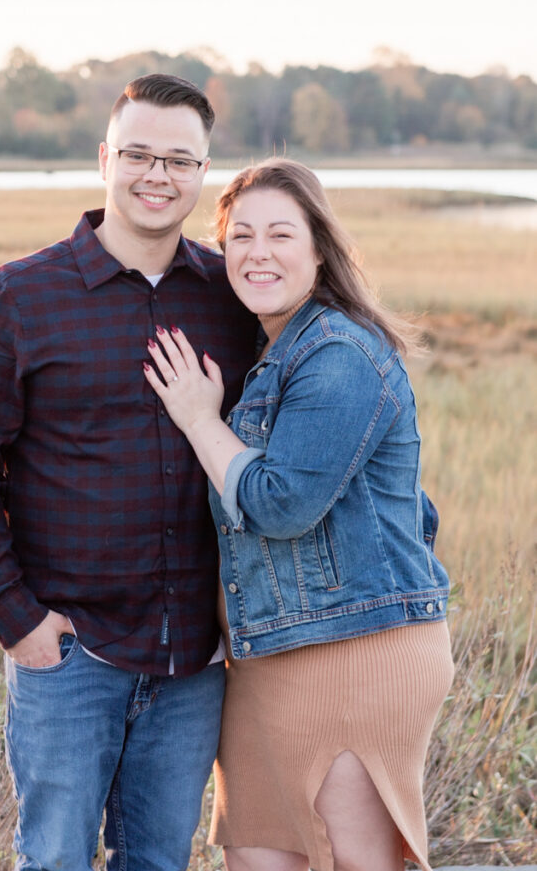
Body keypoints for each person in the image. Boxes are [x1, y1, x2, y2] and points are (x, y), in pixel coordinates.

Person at [0, 74, 258, 871]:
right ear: (104, 157)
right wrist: (16, 619)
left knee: (157, 862)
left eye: (179, 160)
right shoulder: (18, 297)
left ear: (202, 172)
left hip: (195, 662)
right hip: (70, 655)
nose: (157, 175)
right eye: (139, 153)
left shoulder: (231, 296)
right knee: (56, 862)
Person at [143, 158, 454, 871]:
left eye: (280, 234)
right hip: (268, 660)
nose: (258, 252)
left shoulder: (338, 352)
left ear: (319, 248)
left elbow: (279, 504)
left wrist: (197, 417)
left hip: (354, 650)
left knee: (351, 860)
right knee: (256, 853)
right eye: (240, 236)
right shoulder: (272, 350)